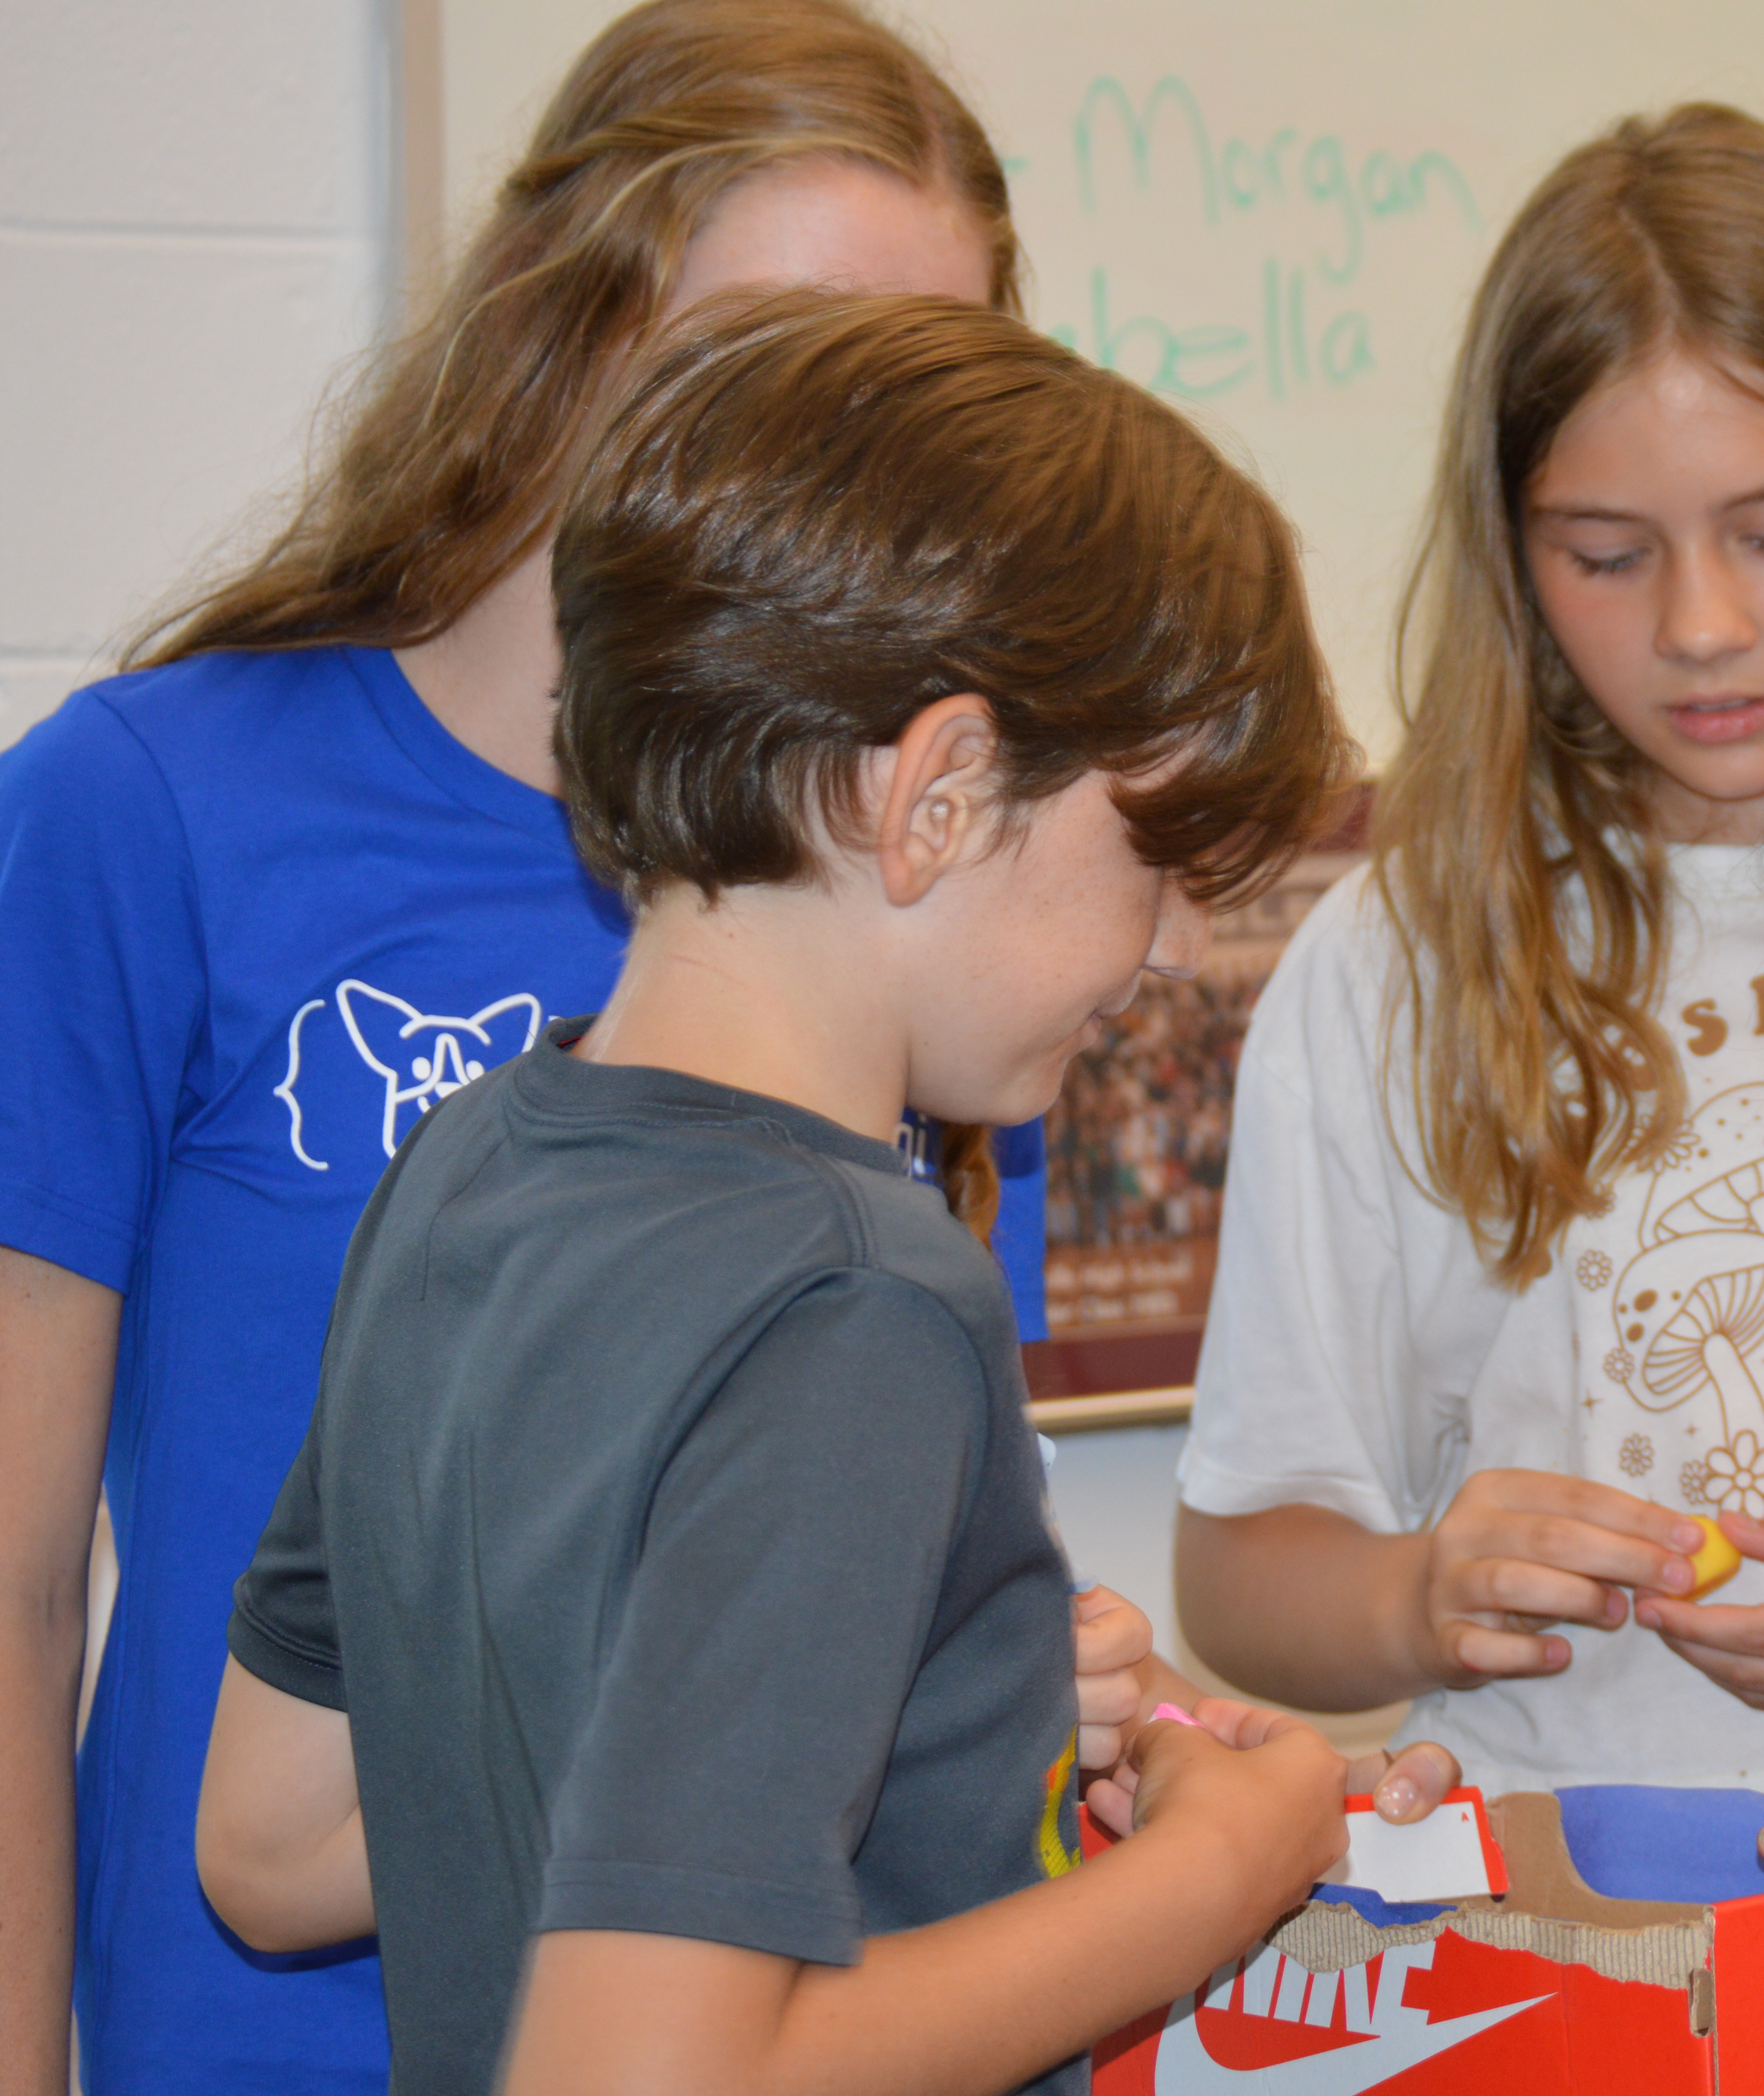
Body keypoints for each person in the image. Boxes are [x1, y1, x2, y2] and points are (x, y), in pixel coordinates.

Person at [0, 7, 1081, 2088]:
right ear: (556, 325)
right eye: (750, 362)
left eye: (901, 395)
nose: (814, 462)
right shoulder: (152, 809)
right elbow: (18, 1590)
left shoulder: (939, 892)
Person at [196, 287, 1370, 2096]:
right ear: (943, 794)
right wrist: (1230, 1863)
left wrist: (920, 1739)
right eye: (1150, 852)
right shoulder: (856, 1299)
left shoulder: (468, 1169)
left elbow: (274, 1850)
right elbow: (646, 2073)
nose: (1168, 946)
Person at [1172, 104, 1764, 1794]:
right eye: (1608, 557)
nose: (1700, 625)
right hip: (1565, 1905)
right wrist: (1419, 1592)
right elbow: (1244, 1577)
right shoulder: (1405, 959)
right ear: (1516, 554)